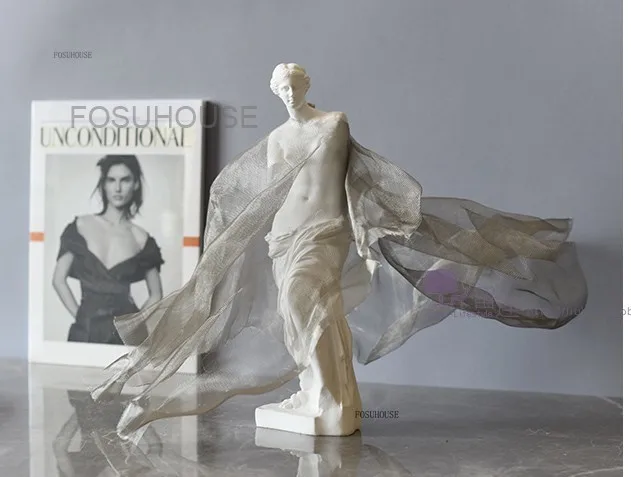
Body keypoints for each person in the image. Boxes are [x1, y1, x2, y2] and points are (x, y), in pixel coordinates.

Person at [91, 63, 588, 440]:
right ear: (274, 92)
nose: (290, 93)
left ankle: (328, 398)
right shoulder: (276, 140)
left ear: (307, 85)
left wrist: (366, 231)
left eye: (296, 85)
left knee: (301, 303)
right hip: (282, 237)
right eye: (282, 88)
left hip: (324, 231)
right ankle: (321, 392)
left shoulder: (332, 124)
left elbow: (354, 181)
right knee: (306, 316)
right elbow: (271, 194)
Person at [52, 155, 164, 345]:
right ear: (103, 184)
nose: (117, 188)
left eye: (125, 180)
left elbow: (156, 294)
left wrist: (132, 325)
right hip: (85, 332)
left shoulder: (142, 238)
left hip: (126, 338)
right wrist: (81, 319)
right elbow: (58, 280)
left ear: (136, 184)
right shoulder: (80, 226)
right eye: (111, 180)